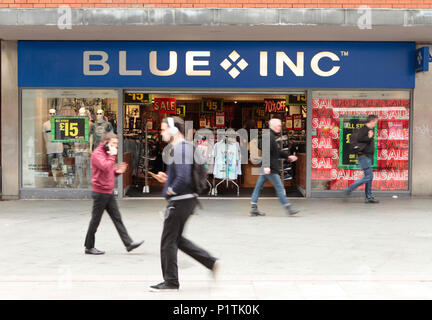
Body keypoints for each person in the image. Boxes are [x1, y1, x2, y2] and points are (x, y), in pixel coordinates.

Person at [150, 116, 218, 292]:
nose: (161, 133)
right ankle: (210, 262)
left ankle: (171, 281)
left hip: (179, 201)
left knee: (167, 241)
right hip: (188, 200)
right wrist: (167, 179)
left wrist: (170, 189)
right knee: (176, 239)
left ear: (174, 130)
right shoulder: (186, 147)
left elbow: (183, 177)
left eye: (164, 129)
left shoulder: (180, 149)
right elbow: (182, 174)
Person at [84, 132, 144, 255]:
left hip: (108, 191)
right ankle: (89, 246)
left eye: (116, 144)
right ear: (105, 143)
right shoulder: (97, 154)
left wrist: (118, 171)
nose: (116, 146)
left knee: (117, 218)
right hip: (100, 192)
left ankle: (128, 243)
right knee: (95, 221)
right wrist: (112, 156)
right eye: (113, 143)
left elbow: (109, 171)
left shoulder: (106, 153)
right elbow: (105, 167)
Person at [250, 118, 300, 217]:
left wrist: (287, 156)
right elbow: (266, 152)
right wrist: (266, 166)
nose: (280, 128)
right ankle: (288, 208)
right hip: (270, 168)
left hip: (268, 168)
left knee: (258, 187)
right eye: (279, 126)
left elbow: (276, 151)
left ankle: (253, 208)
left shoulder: (270, 136)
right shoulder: (269, 136)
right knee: (279, 187)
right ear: (273, 126)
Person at [344, 115, 380, 204]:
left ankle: (369, 197)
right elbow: (360, 139)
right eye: (375, 122)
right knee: (369, 176)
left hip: (367, 156)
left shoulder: (367, 130)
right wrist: (369, 137)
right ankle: (350, 189)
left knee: (369, 177)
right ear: (371, 121)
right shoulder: (364, 129)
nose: (375, 124)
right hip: (364, 156)